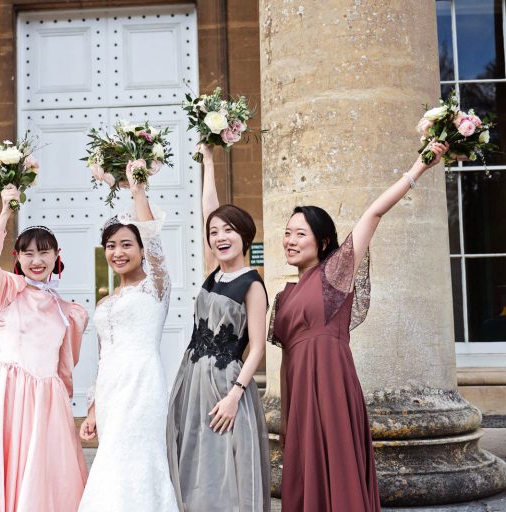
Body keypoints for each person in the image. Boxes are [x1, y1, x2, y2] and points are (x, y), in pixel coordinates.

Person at [268, 142, 450, 511]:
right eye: (287, 233)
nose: (290, 240)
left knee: (339, 466)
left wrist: (418, 167)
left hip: (332, 384)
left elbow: (373, 214)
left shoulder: (335, 273)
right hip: (299, 392)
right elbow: (288, 359)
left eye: (300, 234)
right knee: (305, 473)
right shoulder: (283, 295)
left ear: (322, 242)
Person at [0, 184, 88, 511]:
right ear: (18, 258)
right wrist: (5, 212)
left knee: (44, 471)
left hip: (47, 399)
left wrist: (62, 398)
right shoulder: (9, 290)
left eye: (44, 252)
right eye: (28, 253)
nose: (36, 260)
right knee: (1, 464)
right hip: (8, 392)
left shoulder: (69, 311)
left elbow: (65, 363)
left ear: (57, 256)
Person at [167, 144, 270, 511]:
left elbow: (257, 346)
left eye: (229, 230)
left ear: (245, 236)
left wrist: (235, 395)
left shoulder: (251, 284)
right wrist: (209, 161)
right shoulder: (215, 270)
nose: (220, 236)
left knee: (222, 463)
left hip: (226, 383)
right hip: (192, 376)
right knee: (193, 455)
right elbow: (208, 210)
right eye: (214, 232)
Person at [78, 166, 179, 512]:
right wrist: (91, 410)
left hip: (143, 387)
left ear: (140, 248)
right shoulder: (105, 302)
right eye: (111, 245)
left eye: (126, 244)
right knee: (110, 461)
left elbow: (154, 240)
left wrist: (137, 190)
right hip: (110, 392)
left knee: (138, 459)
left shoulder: (156, 288)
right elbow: (101, 359)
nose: (118, 252)